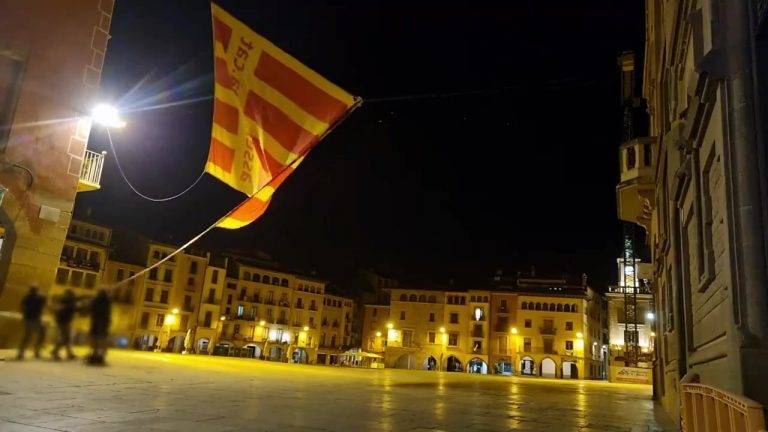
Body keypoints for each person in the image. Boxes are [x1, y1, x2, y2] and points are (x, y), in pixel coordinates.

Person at [17, 285, 46, 360]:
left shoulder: (27, 297)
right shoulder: (40, 297)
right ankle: (36, 350)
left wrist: (24, 315)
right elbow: (44, 306)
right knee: (41, 333)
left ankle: (21, 353)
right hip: (35, 319)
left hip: (28, 319)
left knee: (27, 336)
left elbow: (21, 307)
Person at [50, 289, 77, 360]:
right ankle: (55, 352)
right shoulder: (69, 304)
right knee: (64, 339)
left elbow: (56, 311)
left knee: (66, 338)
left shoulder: (62, 302)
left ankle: (69, 353)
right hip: (64, 323)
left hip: (62, 322)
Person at [86, 289, 111, 365]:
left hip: (96, 323)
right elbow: (107, 314)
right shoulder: (107, 302)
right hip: (102, 324)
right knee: (101, 340)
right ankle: (99, 356)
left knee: (96, 340)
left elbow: (91, 310)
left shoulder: (95, 301)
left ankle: (94, 354)